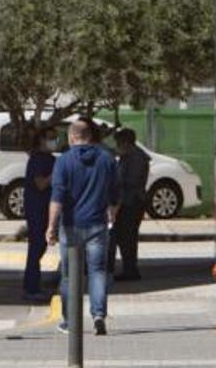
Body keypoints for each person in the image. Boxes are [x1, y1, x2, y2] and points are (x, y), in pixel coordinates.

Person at [47, 119, 120, 336]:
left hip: (70, 226)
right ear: (91, 136)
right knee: (97, 271)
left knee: (69, 275)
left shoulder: (63, 162)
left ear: (72, 137)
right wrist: (112, 212)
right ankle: (98, 316)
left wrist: (50, 226)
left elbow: (57, 197)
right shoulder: (107, 159)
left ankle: (70, 322)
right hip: (98, 225)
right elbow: (116, 193)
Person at [22, 127, 57, 302]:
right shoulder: (37, 159)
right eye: (50, 138)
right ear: (41, 140)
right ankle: (31, 286)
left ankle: (33, 284)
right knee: (36, 247)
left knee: (41, 246)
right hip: (36, 209)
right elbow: (41, 184)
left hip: (46, 208)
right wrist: (55, 174)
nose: (54, 141)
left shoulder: (50, 159)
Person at [109, 128, 149, 281]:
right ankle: (129, 268)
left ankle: (131, 270)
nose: (117, 146)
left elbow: (130, 181)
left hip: (131, 203)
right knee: (124, 238)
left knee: (128, 238)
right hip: (127, 202)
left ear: (126, 143)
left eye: (119, 143)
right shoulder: (128, 156)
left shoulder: (136, 158)